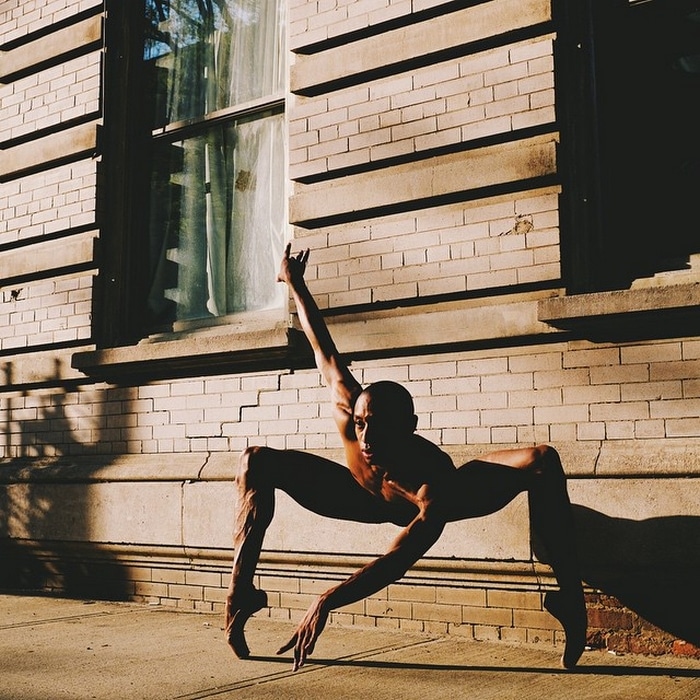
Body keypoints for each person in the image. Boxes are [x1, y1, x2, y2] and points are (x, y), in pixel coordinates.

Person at [225, 244, 587, 671]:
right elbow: (320, 346)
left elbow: (397, 560)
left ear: (408, 426)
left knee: (543, 458)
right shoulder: (350, 404)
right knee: (255, 460)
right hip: (356, 494)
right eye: (360, 424)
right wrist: (295, 281)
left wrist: (327, 600)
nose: (366, 438)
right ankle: (239, 591)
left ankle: (570, 597)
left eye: (378, 426)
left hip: (433, 498)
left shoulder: (432, 482)